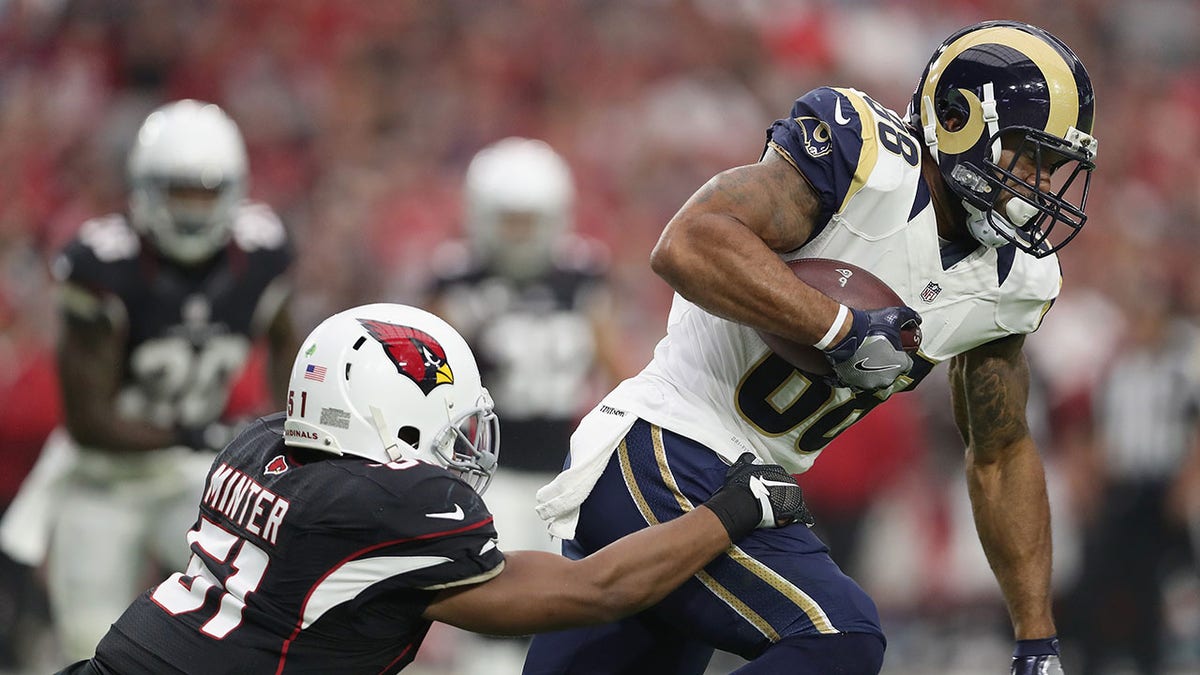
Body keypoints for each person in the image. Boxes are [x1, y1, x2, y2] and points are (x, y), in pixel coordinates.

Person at [526, 20, 1096, 675]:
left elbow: (1000, 452)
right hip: (664, 446)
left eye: (1052, 167)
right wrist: (838, 328)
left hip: (742, 492)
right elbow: (688, 242)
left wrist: (1036, 639)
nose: (1039, 185)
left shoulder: (1012, 281)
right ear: (958, 119)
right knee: (838, 632)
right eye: (1027, 153)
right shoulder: (865, 159)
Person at [58, 302, 810, 675]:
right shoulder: (384, 507)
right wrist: (735, 507)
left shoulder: (259, 442)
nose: (460, 449)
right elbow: (596, 591)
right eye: (447, 424)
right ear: (388, 416)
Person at [0, 99, 298, 664]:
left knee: (254, 600)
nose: (192, 210)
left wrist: (281, 425)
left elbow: (288, 344)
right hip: (103, 478)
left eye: (206, 193)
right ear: (143, 188)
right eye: (179, 192)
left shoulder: (262, 253)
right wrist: (202, 434)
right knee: (91, 640)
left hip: (191, 471)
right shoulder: (103, 264)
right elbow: (90, 422)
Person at [425, 137, 629, 672]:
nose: (519, 234)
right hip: (488, 469)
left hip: (565, 471)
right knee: (495, 604)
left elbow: (613, 367)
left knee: (569, 607)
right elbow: (427, 378)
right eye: (508, 219)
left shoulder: (581, 276)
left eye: (528, 220)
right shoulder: (457, 279)